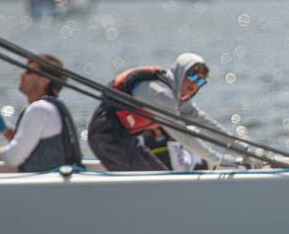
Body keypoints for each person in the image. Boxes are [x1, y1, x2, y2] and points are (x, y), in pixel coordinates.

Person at [87, 53, 245, 171]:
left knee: (162, 176)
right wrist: (218, 159)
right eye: (192, 77)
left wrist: (244, 150)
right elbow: (183, 136)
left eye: (200, 81)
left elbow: (206, 125)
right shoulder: (161, 94)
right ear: (180, 73)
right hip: (106, 136)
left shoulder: (177, 97)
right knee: (156, 185)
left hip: (127, 138)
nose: (194, 84)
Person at [0, 53, 82, 171]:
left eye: (29, 71)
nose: (22, 74)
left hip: (45, 186)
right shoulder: (50, 107)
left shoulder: (39, 109)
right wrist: (6, 131)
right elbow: (29, 147)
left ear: (44, 81)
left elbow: (13, 158)